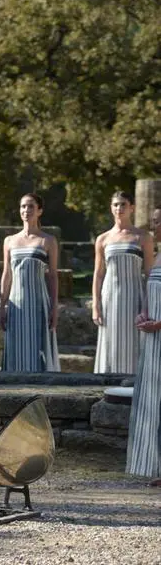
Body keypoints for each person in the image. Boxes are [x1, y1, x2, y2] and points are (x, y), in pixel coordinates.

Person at [93, 191, 154, 374]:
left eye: (123, 204)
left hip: (134, 297)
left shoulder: (143, 237)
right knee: (110, 341)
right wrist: (96, 305)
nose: (119, 208)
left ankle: (133, 384)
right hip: (109, 297)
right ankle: (106, 382)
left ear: (131, 208)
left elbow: (149, 274)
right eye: (116, 205)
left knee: (133, 342)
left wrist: (148, 305)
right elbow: (98, 274)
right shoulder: (103, 239)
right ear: (111, 208)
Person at [0, 194, 60, 372]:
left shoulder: (47, 240)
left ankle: (40, 384)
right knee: (15, 347)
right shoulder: (9, 241)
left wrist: (54, 307)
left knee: (38, 348)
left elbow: (53, 276)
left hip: (38, 303)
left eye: (31, 206)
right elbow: (7, 274)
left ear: (39, 211)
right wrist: (1, 306)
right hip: (15, 304)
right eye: (23, 206)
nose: (26, 210)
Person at [127, 206, 161, 486]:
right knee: (155, 402)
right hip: (153, 341)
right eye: (153, 221)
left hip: (159, 333)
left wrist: (159, 324)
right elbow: (152, 292)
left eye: (158, 222)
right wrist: (144, 313)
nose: (154, 226)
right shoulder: (158, 255)